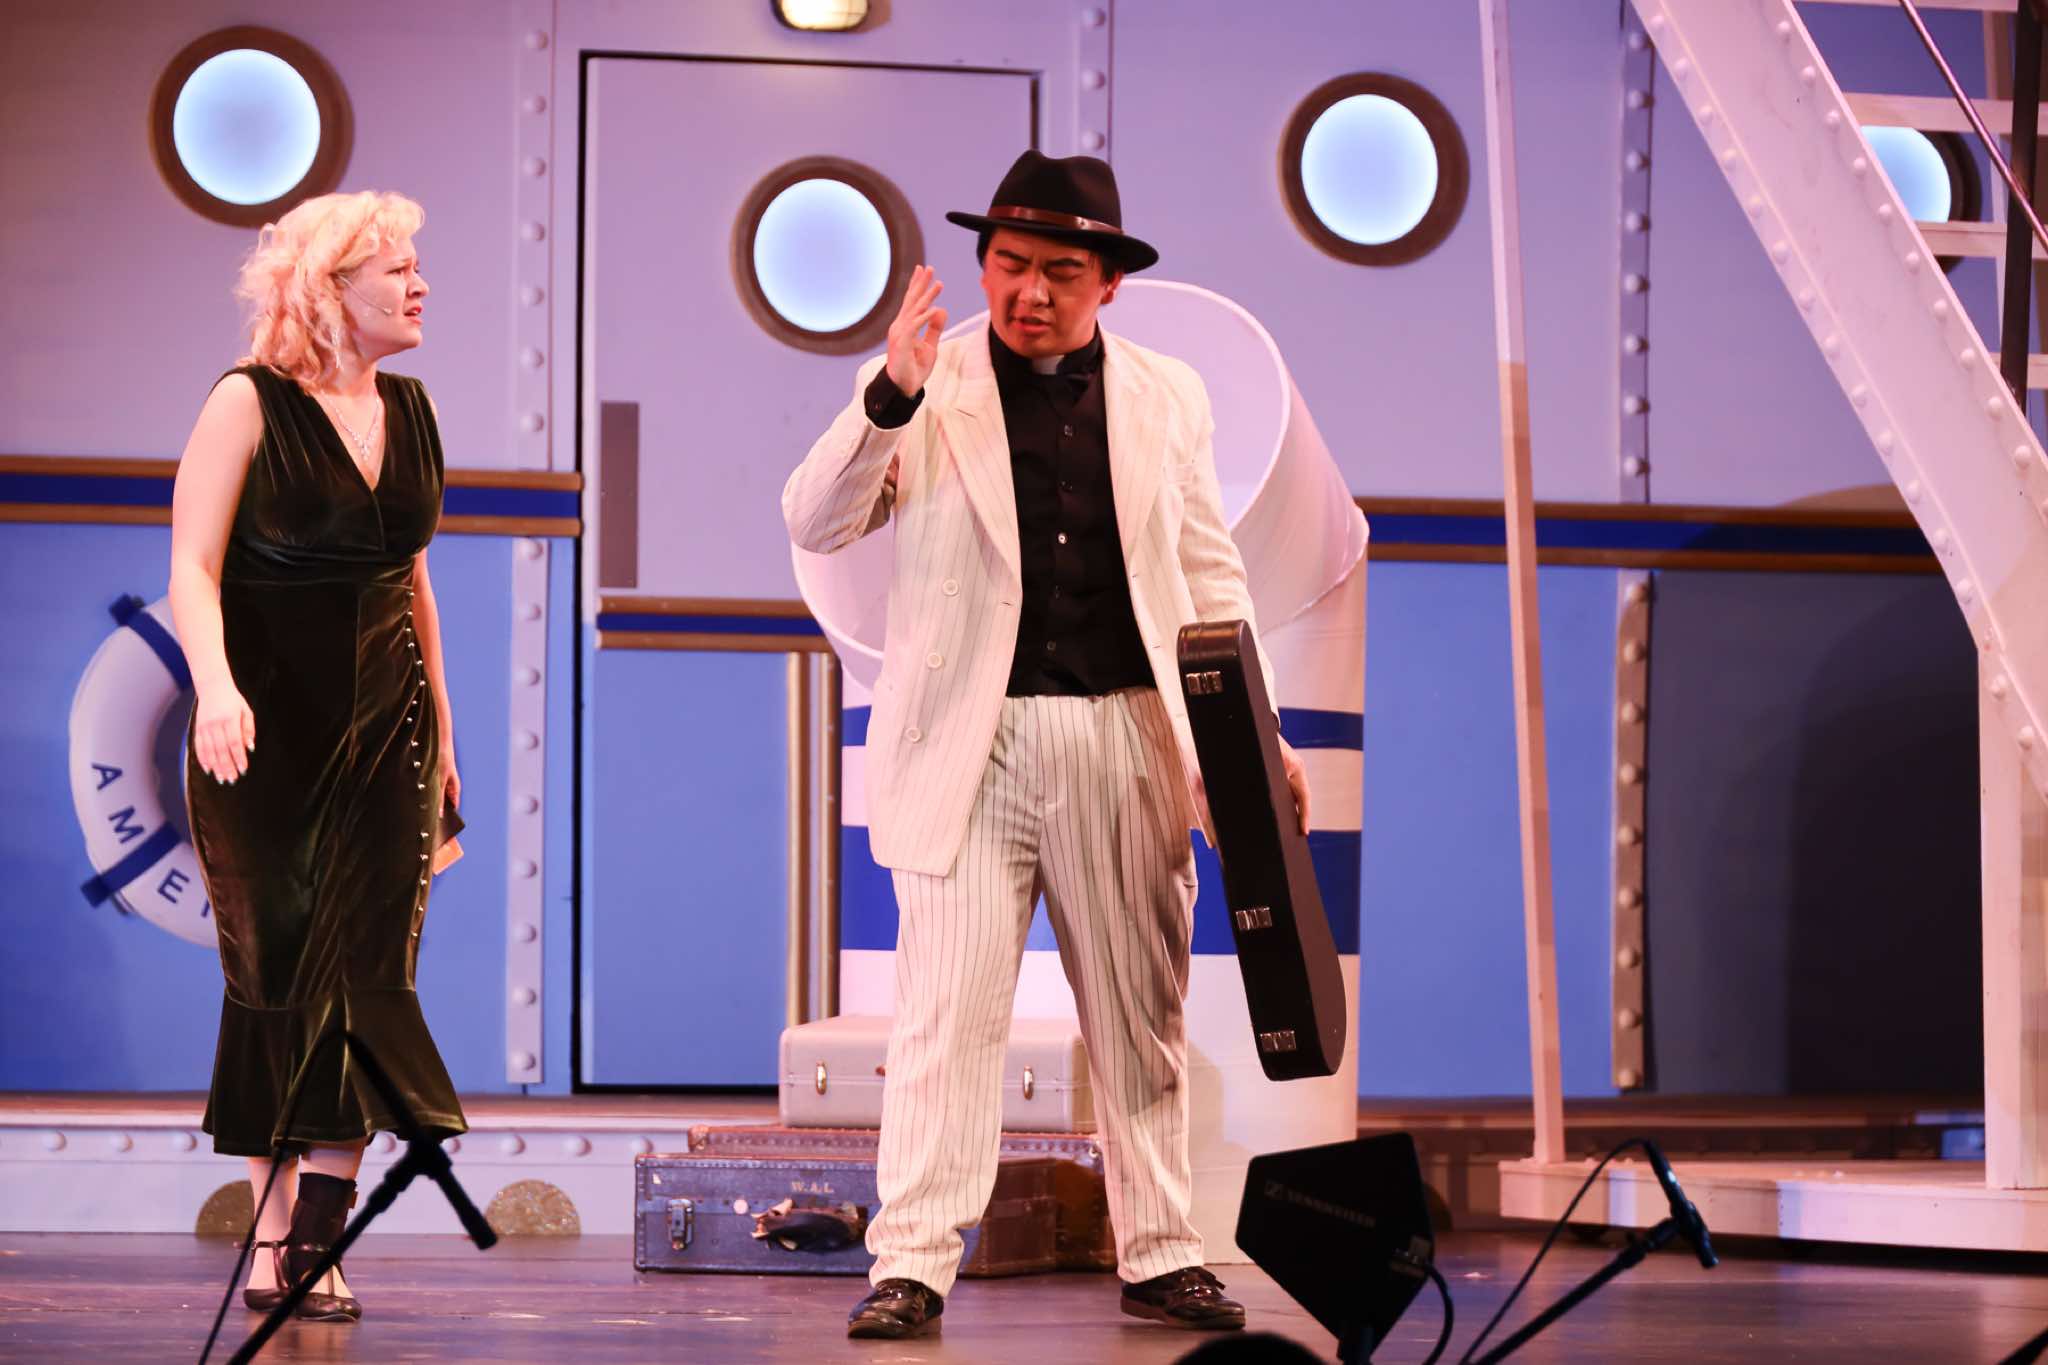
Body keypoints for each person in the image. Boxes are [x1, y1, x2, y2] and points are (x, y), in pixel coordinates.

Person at [784, 150, 1309, 1340]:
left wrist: (1254, 732)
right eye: (1009, 264)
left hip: (1122, 733)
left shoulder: (1167, 396)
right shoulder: (925, 382)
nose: (1028, 291)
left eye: (1058, 273)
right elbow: (816, 518)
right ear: (982, 266)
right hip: (966, 744)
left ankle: (1162, 1253)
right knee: (944, 1020)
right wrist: (888, 395)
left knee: (1139, 1014)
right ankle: (911, 1263)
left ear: (1107, 283)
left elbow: (1208, 574)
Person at [169, 190, 465, 1323]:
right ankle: (272, 1235)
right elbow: (193, 567)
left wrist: (444, 736)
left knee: (371, 978)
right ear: (329, 289)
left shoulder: (414, 410)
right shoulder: (246, 402)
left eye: (416, 263)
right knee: (278, 976)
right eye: (396, 267)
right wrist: (215, 686)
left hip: (390, 734)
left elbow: (414, 584)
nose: (419, 283)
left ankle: (316, 1245)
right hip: (264, 737)